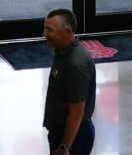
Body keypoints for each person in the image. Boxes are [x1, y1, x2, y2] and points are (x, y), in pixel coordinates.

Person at [40, 9, 95, 155]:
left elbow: (77, 112)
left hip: (74, 137)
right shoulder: (62, 52)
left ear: (68, 31)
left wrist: (65, 147)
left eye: (49, 30)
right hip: (62, 131)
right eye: (45, 28)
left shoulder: (75, 64)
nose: (44, 34)